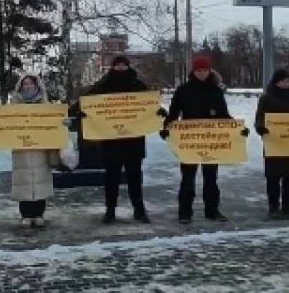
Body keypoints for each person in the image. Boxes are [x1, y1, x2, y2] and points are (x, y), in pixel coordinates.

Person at [163, 55, 244, 224]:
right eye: (198, 70)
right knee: (187, 178)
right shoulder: (183, 90)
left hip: (211, 141)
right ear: (193, 71)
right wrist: (167, 128)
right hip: (189, 142)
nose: (202, 74)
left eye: (205, 70)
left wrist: (238, 129)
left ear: (209, 71)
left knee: (211, 178)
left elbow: (224, 116)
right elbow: (173, 113)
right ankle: (185, 212)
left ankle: (212, 211)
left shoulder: (215, 91)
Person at [79, 55, 158, 224]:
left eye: (124, 65)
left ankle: (139, 210)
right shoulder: (103, 85)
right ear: (113, 67)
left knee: (135, 178)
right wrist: (81, 112)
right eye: (118, 65)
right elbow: (86, 102)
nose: (121, 68)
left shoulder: (138, 85)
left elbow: (150, 105)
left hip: (133, 140)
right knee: (111, 179)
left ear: (128, 66)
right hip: (111, 140)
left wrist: (158, 112)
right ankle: (110, 211)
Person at [0, 75, 59, 227]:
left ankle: (39, 214)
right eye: (25, 83)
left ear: (37, 85)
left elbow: (54, 123)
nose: (28, 86)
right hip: (21, 149)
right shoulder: (14, 106)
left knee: (40, 181)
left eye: (31, 83)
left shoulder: (45, 105)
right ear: (20, 86)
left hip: (41, 148)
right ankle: (25, 215)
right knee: (23, 182)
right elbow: (4, 124)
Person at [254, 68, 289, 219]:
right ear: (276, 82)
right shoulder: (266, 98)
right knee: (273, 176)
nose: (286, 83)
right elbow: (259, 118)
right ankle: (273, 206)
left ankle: (288, 206)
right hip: (274, 142)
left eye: (288, 81)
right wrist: (261, 128)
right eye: (283, 81)